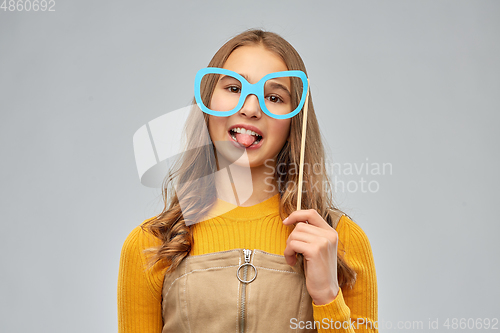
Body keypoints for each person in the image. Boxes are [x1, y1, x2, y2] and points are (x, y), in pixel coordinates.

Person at [118, 29, 378, 333]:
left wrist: (327, 296)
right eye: (232, 88)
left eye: (274, 97)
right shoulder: (151, 245)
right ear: (206, 104)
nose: (251, 108)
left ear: (295, 120)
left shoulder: (339, 241)